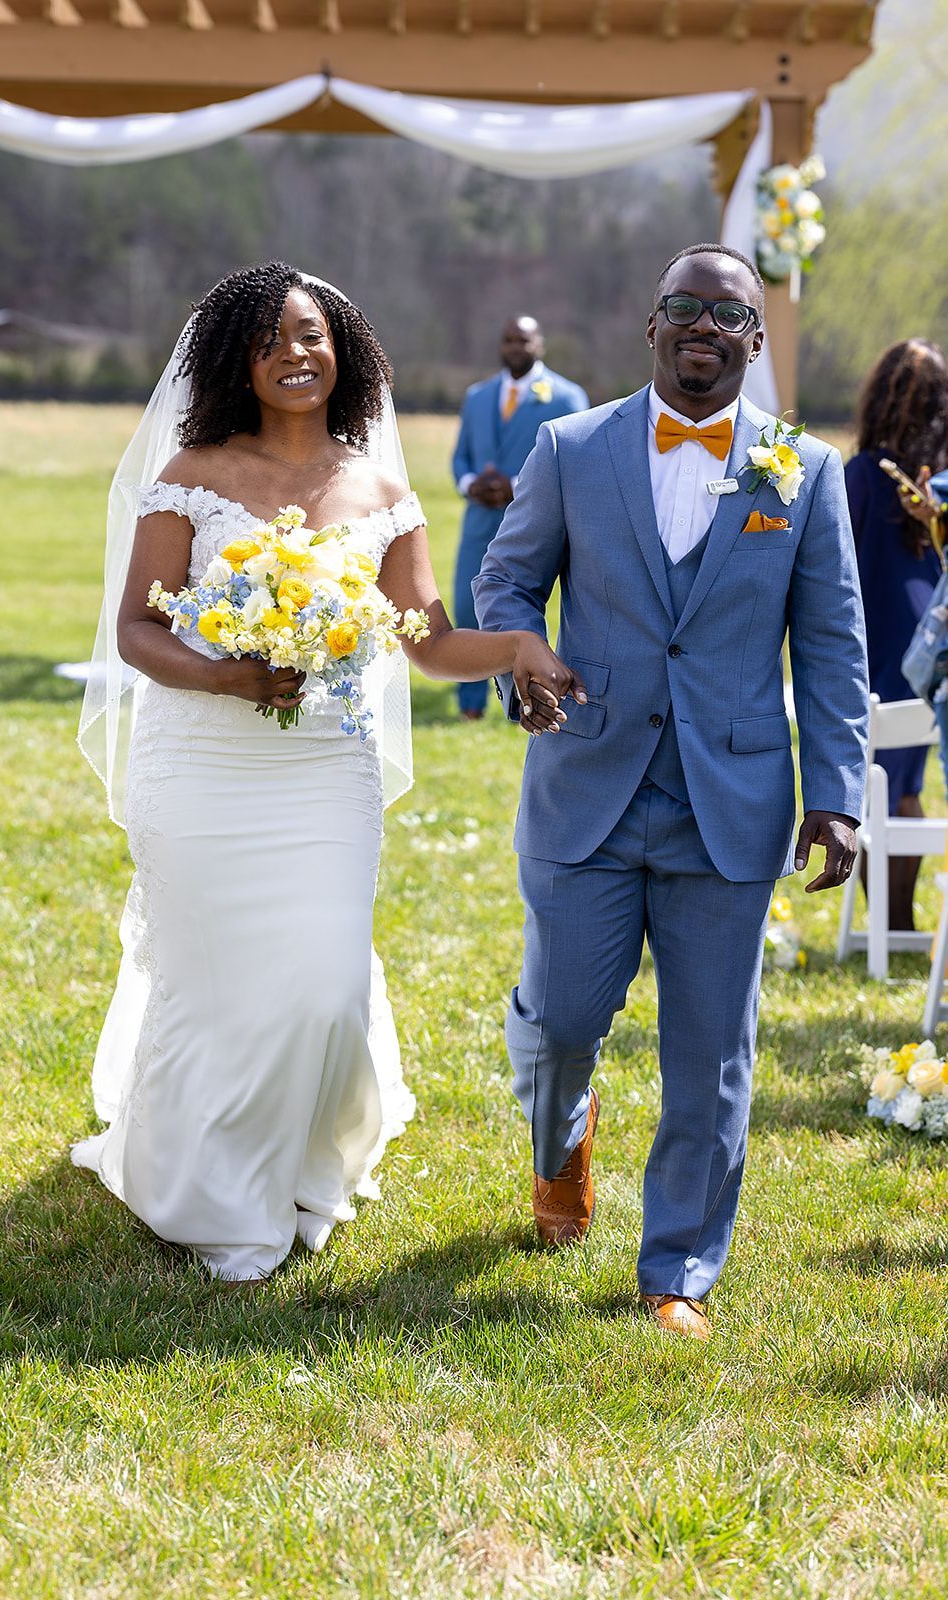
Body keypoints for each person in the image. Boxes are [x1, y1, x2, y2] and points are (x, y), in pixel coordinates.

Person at [71, 263, 580, 1284]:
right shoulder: (193, 473)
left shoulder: (380, 491)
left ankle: (306, 1162)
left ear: (342, 348)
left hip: (321, 769)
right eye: (267, 341)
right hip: (203, 759)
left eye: (309, 334)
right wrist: (226, 672)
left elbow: (431, 643)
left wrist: (520, 647)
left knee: (326, 987)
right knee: (213, 983)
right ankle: (206, 1194)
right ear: (236, 361)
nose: (293, 354)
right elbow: (135, 629)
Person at [474, 244, 868, 1340]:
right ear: (651, 325)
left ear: (754, 338)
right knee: (563, 1021)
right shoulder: (571, 447)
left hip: (728, 802)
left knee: (711, 1051)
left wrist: (836, 792)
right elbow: (506, 579)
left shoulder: (804, 470)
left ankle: (677, 1271)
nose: (704, 325)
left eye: (727, 313)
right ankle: (561, 1145)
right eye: (683, 307)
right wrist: (521, 655)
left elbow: (831, 644)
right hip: (586, 785)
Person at [845, 340, 948, 930]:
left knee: (880, 788)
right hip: (929, 642)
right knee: (904, 783)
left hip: (877, 638)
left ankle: (892, 926)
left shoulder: (863, 475)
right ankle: (896, 923)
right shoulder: (940, 486)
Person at [451, 317, 588, 720]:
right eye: (508, 339)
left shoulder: (567, 398)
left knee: (523, 613)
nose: (515, 346)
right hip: (479, 518)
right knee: (466, 606)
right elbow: (461, 456)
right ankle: (470, 703)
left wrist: (514, 486)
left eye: (523, 340)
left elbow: (580, 462)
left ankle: (529, 694)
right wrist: (470, 483)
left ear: (539, 345)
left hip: (536, 524)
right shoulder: (477, 396)